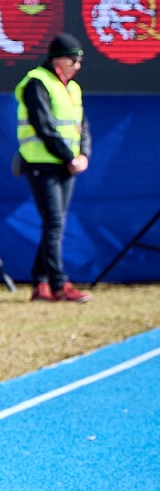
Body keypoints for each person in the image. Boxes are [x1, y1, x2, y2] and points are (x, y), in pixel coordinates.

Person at [15, 33, 91, 303]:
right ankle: (59, 285)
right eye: (72, 60)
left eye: (79, 61)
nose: (76, 66)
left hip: (66, 165)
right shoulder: (37, 82)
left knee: (54, 224)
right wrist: (69, 157)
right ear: (57, 59)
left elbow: (82, 125)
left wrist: (83, 154)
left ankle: (40, 283)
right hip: (41, 162)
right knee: (54, 223)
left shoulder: (73, 88)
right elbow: (43, 125)